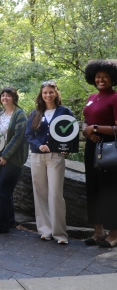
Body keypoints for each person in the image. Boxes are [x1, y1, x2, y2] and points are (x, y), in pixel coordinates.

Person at [25, 81, 74, 245]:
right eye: (45, 92)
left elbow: (71, 132)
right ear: (41, 94)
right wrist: (38, 145)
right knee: (40, 192)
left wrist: (67, 148)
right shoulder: (35, 113)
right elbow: (28, 134)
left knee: (55, 194)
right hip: (37, 156)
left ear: (56, 93)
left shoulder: (64, 111)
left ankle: (60, 233)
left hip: (56, 157)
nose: (47, 95)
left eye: (50, 92)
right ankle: (45, 230)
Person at [81, 60, 117, 248]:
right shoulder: (93, 97)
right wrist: (86, 128)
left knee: (109, 190)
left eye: (105, 76)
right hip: (91, 148)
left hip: (110, 148)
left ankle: (113, 234)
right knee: (93, 188)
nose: (101, 79)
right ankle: (97, 231)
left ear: (112, 78)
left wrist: (95, 128)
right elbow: (86, 120)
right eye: (98, 76)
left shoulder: (115, 98)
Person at [0, 87, 28, 234]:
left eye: (8, 95)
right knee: (1, 191)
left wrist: (5, 155)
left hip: (13, 159)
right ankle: (10, 221)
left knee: (3, 189)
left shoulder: (20, 114)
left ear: (14, 97)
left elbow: (19, 137)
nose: (5, 98)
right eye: (3, 95)